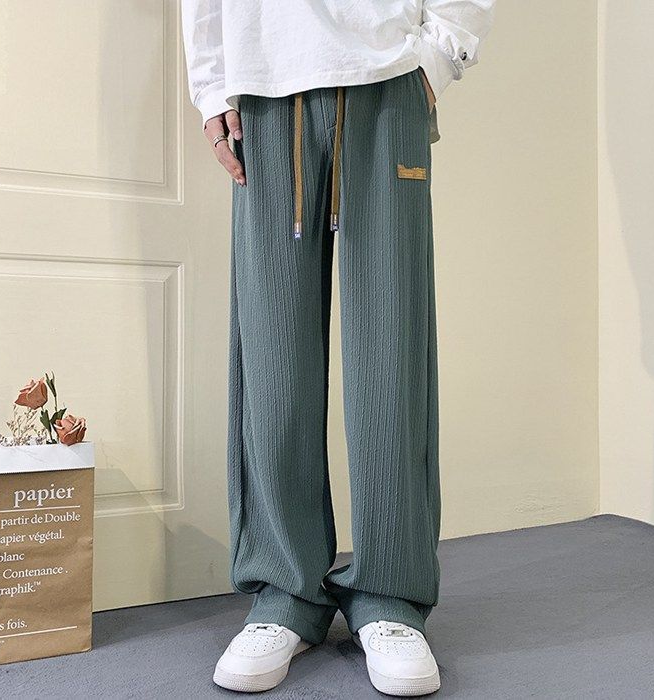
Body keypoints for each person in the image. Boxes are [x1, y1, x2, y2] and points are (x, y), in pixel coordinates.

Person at [181, 1, 495, 695]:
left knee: (391, 352)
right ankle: (283, 592)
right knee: (272, 356)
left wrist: (440, 55)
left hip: (387, 77)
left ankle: (391, 593)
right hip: (263, 85)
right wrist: (211, 85)